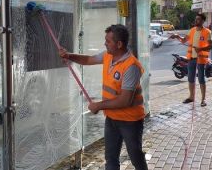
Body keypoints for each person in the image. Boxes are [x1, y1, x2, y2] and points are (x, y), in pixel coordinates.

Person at [59, 24, 148, 170]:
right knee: (111, 159)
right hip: (112, 119)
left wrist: (98, 105)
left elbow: (125, 100)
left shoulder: (131, 66)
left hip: (130, 121)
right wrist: (69, 56)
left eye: (108, 41)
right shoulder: (108, 55)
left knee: (135, 157)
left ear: (119, 44)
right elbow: (88, 60)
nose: (105, 43)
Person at [169, 13, 212, 107]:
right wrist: (177, 36)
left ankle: (203, 99)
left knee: (201, 78)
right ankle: (191, 97)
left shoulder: (207, 32)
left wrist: (200, 49)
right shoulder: (192, 30)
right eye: (196, 19)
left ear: (202, 21)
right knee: (190, 78)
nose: (196, 21)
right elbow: (184, 40)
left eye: (198, 19)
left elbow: (211, 46)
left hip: (201, 59)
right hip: (191, 59)